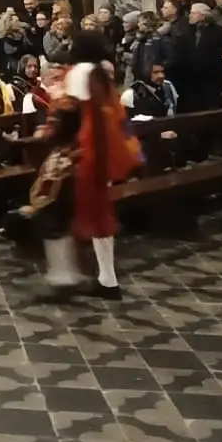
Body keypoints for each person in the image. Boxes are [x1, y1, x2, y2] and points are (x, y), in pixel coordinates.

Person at [24, 58, 141, 301]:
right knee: (92, 218)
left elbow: (63, 124)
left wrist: (55, 108)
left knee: (55, 214)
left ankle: (65, 277)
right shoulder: (100, 90)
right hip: (94, 161)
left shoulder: (79, 84)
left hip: (78, 163)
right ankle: (105, 280)